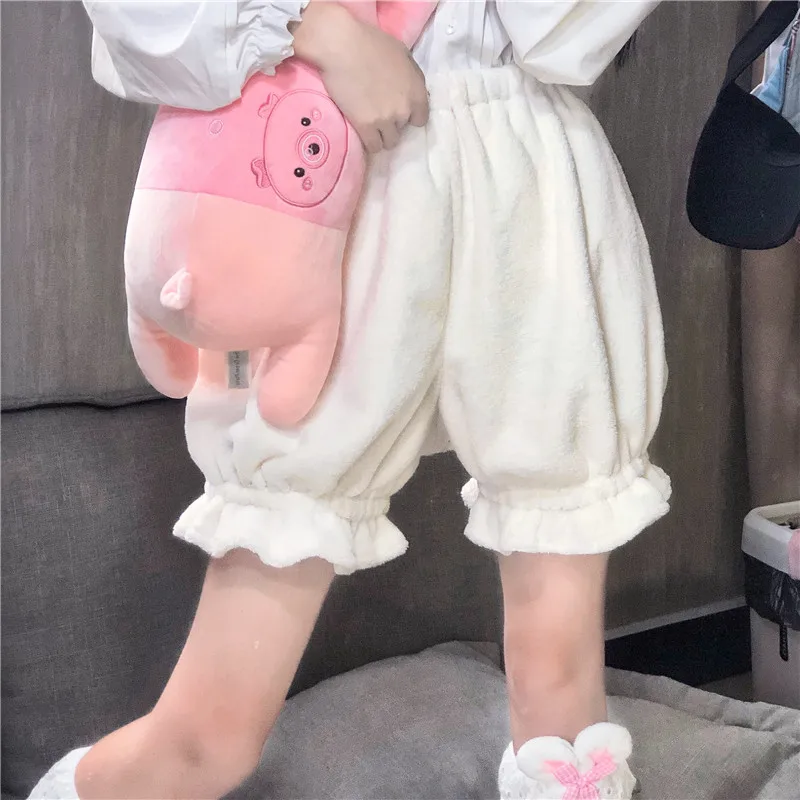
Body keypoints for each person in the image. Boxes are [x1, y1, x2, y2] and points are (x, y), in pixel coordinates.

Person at [30, 2, 670, 798]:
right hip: (323, 172)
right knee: (209, 733)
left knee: (563, 705)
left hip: (531, 173)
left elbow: (565, 38)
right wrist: (318, 32)